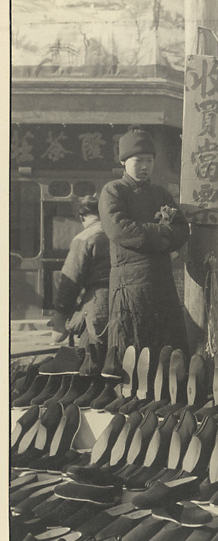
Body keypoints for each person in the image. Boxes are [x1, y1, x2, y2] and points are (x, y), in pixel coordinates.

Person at [98, 125, 190, 360]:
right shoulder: (114, 191)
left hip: (161, 281)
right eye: (138, 160)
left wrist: (169, 235)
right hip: (130, 284)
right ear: (124, 162)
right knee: (132, 348)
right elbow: (119, 229)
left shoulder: (161, 194)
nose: (145, 166)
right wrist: (163, 234)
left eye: (149, 160)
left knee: (166, 347)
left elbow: (182, 229)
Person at [49, 195, 110, 363]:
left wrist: (60, 318)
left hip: (97, 304)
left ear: (82, 216)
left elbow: (71, 281)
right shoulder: (116, 233)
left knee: (91, 360)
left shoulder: (85, 237)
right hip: (123, 300)